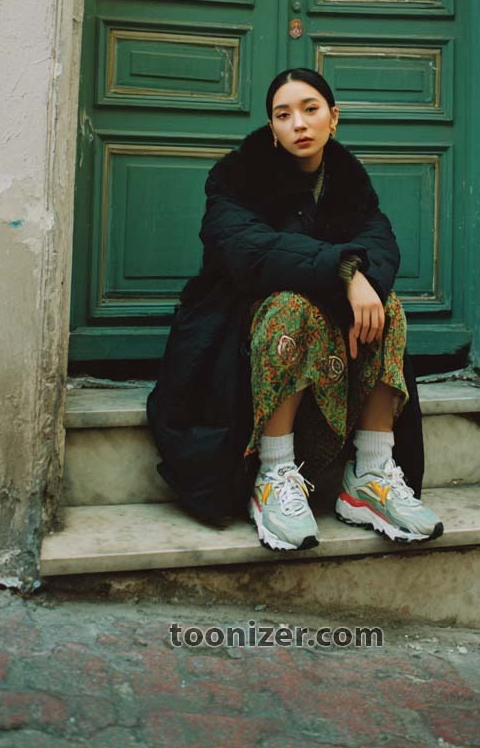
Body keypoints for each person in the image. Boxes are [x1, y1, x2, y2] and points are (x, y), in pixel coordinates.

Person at [147, 67, 443, 552]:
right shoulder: (235, 178)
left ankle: (369, 474)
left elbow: (379, 241)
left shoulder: (348, 181)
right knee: (292, 306)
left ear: (334, 118)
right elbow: (247, 248)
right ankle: (274, 471)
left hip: (331, 339)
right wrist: (343, 272)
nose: (299, 124)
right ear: (272, 129)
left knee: (385, 305)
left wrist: (360, 279)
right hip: (237, 335)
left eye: (310, 110)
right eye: (284, 115)